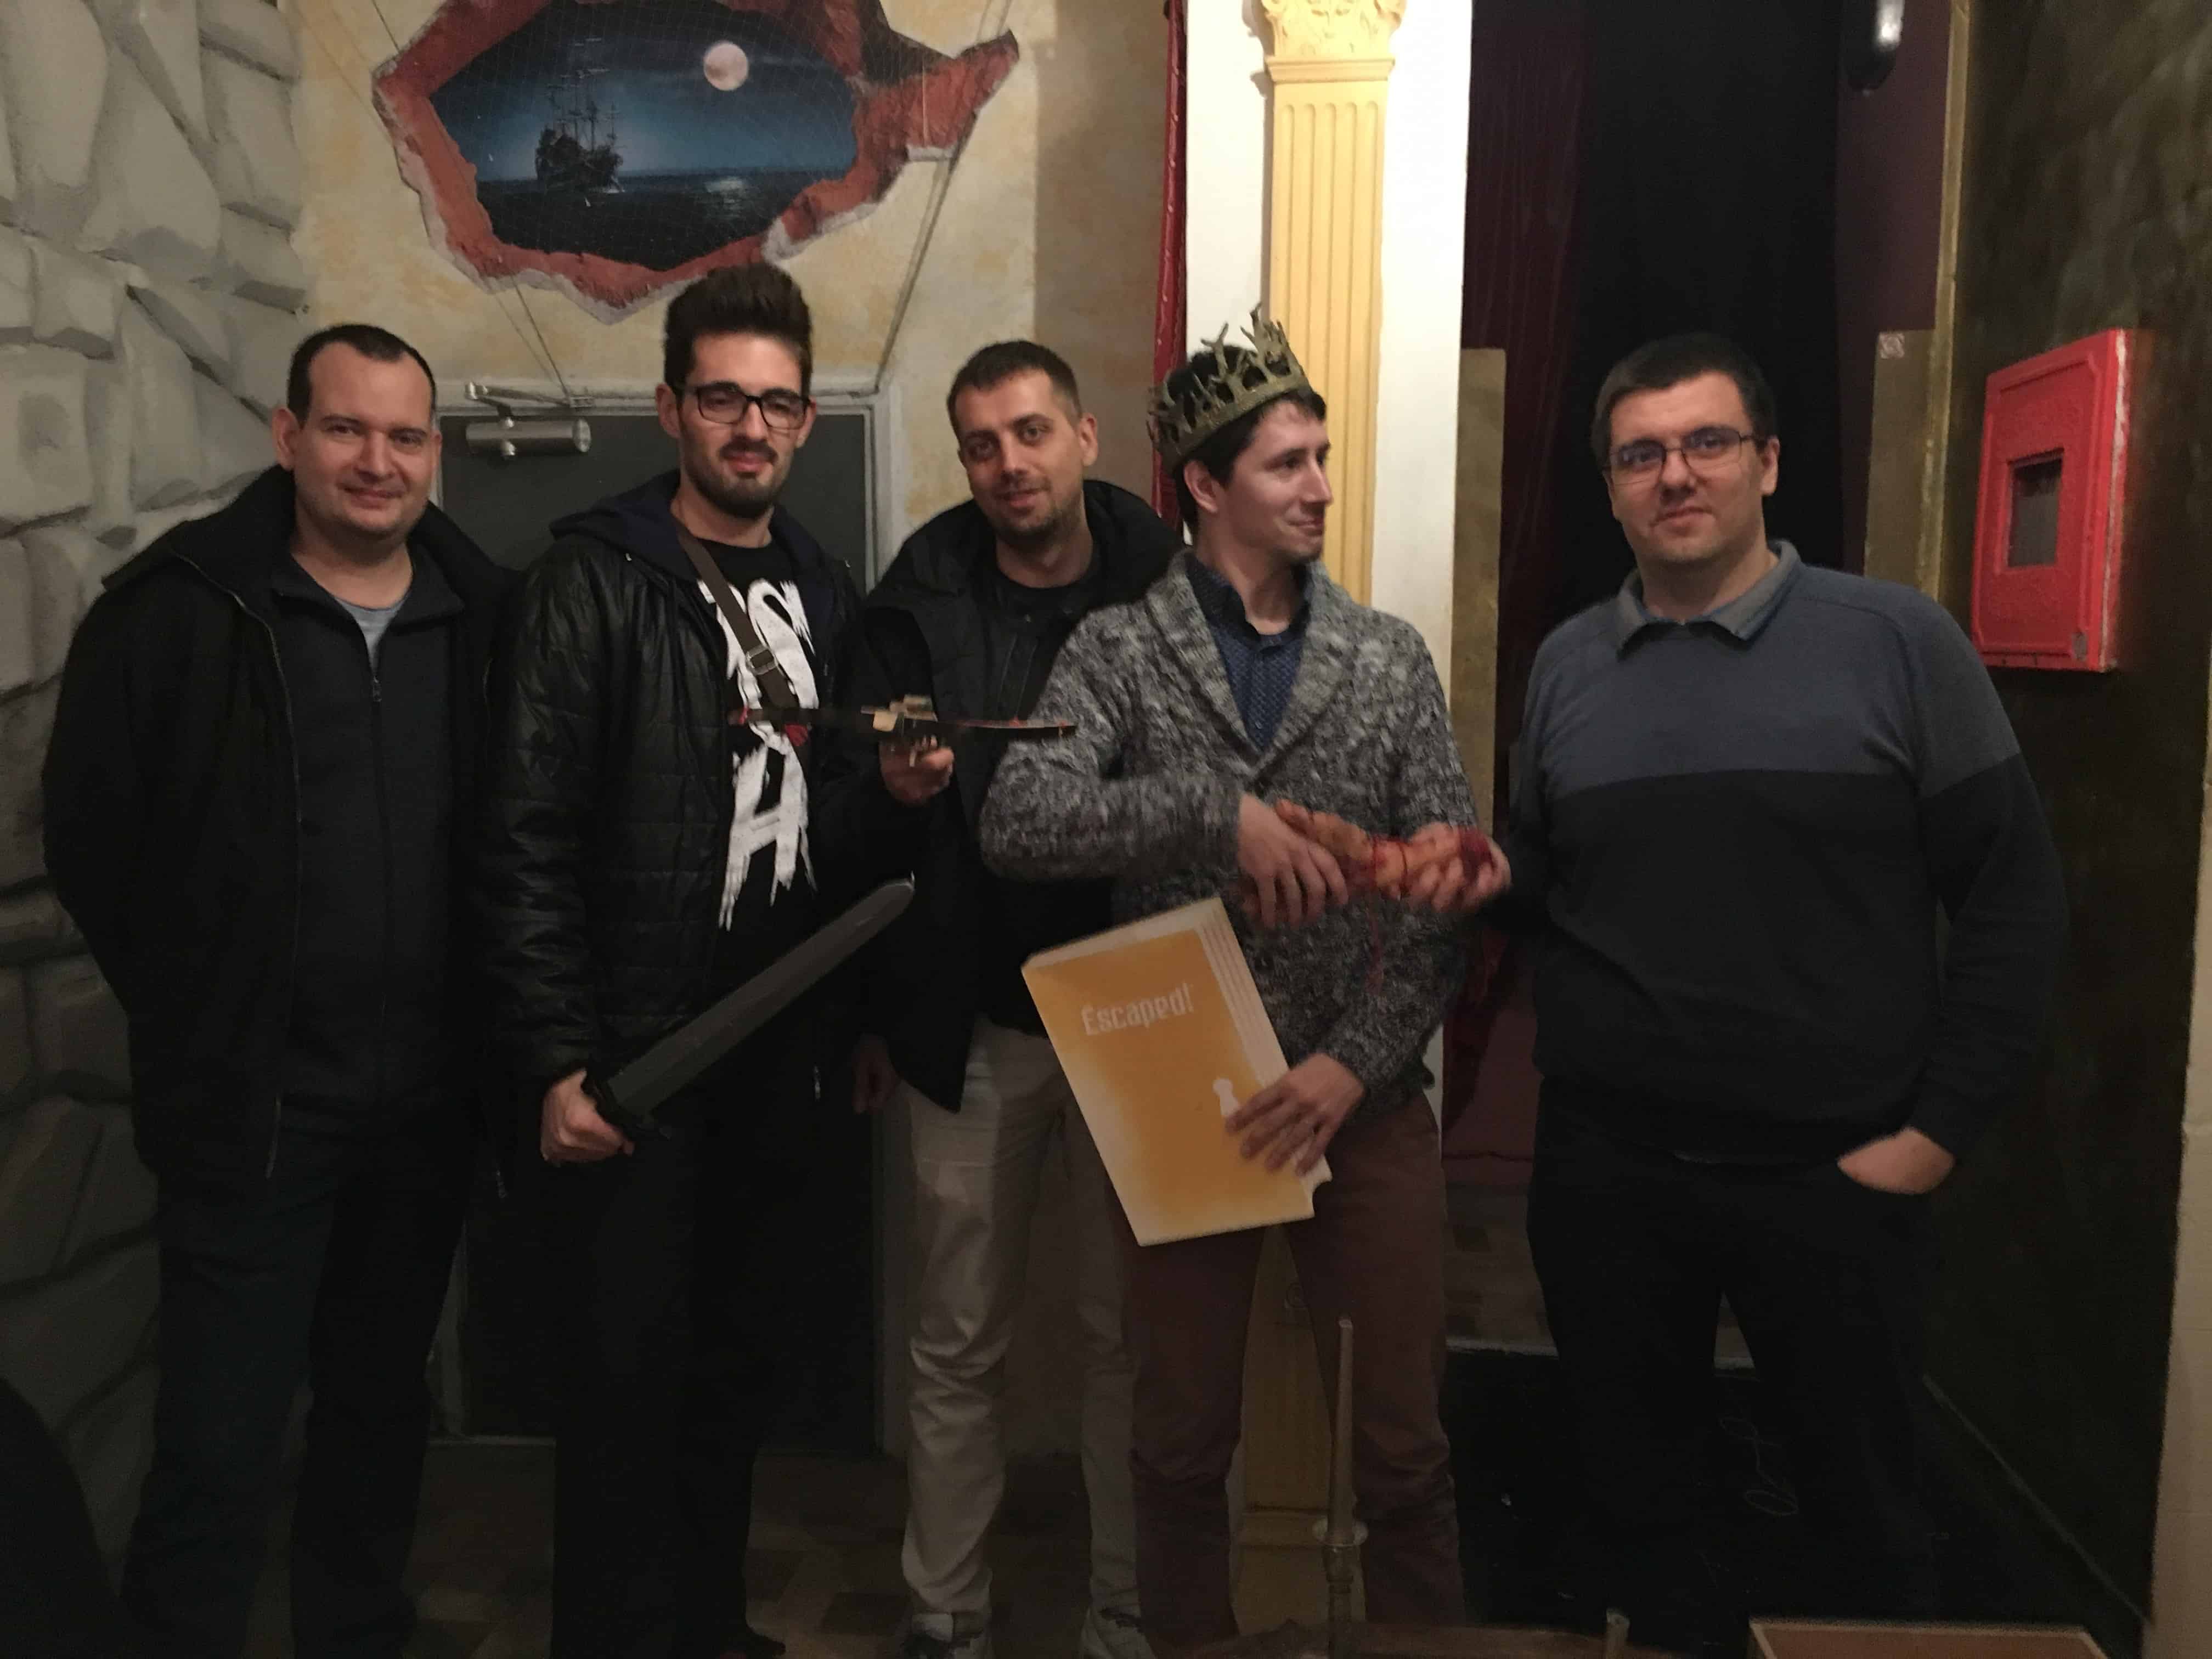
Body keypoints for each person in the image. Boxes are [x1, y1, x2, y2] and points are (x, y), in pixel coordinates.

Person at [1465, 332, 2067, 1640]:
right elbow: (1554, 878)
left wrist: (1935, 1134)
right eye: (1640, 455)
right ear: (1611, 486)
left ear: (1770, 462)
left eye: (1707, 443)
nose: (1675, 475)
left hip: (1834, 1176)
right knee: (1638, 1512)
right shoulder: (1568, 665)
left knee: (1868, 1516)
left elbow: (2015, 897)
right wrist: (1482, 871)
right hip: (1612, 1177)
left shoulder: (1898, 643)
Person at [977, 314, 1496, 1654]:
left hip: (1360, 1103)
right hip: (1182, 1090)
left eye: (1322, 457)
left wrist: (1349, 1069)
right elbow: (1018, 819)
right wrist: (1216, 815)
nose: (1321, 485)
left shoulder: (1387, 657)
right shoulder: (1118, 650)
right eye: (1287, 464)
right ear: (1207, 485)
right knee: (1177, 1445)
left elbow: (1443, 905)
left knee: (1404, 1452)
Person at [43, 324, 509, 1658]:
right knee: (219, 1441)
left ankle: (354, 1635)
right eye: (347, 428)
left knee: (378, 1415)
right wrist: (203, 1008)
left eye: (405, 436)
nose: (378, 461)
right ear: (288, 434)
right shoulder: (179, 611)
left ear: (435, 451)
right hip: (253, 1115)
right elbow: (93, 840)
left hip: (424, 1112)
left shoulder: (488, 615)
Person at [477, 266, 868, 1659]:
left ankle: (707, 1629)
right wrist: (556, 1059)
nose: (751, 427)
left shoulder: (824, 585)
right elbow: (521, 832)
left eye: (777, 403)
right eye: (723, 399)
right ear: (670, 409)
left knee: (734, 1373)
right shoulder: (591, 580)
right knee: (620, 1391)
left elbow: (836, 822)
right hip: (635, 1062)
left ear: (805, 420)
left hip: (777, 1061)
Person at [825, 341, 1180, 1659]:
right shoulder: (914, 602)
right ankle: (946, 1614)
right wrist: (894, 801)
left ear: (1085, 437)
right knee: (955, 1341)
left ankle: (1128, 1616)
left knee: (1129, 1344)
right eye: (981, 444)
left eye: (1031, 432)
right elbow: (846, 824)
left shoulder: (1174, 585)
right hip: (970, 1017)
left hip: (1142, 1011)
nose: (1008, 464)